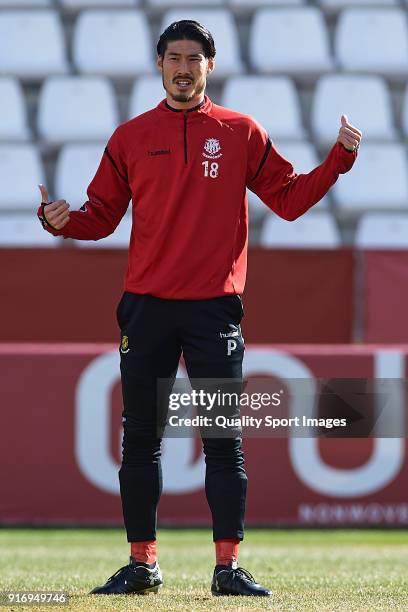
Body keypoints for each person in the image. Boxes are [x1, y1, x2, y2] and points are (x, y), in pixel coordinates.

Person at [37, 20, 362, 598]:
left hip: (215, 310)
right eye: (174, 57)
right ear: (158, 65)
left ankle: (227, 567)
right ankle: (142, 564)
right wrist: (60, 222)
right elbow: (101, 218)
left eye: (194, 58)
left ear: (210, 66)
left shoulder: (240, 131)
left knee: (222, 439)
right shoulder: (130, 137)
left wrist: (339, 159)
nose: (183, 67)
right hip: (147, 309)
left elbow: (287, 201)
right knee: (141, 438)